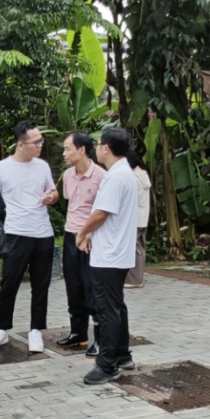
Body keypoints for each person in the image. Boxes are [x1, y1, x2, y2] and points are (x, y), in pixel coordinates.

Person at [0, 120, 58, 353]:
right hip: (15, 233)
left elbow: (53, 192)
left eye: (41, 141)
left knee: (41, 285)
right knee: (9, 283)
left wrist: (51, 197)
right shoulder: (0, 168)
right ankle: (1, 329)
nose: (40, 145)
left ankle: (36, 330)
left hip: (43, 233)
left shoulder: (42, 166)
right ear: (20, 144)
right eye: (36, 142)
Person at [75, 128, 139, 385]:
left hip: (109, 255)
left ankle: (107, 364)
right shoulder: (125, 173)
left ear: (106, 148)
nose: (96, 148)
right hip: (117, 252)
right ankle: (122, 354)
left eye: (98, 144)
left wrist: (82, 232)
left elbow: (102, 213)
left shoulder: (115, 177)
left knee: (107, 309)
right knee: (116, 305)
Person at [56, 132, 104, 354]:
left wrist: (89, 234)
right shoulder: (67, 175)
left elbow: (103, 212)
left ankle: (100, 339)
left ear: (82, 150)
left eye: (67, 149)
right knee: (73, 286)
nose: (64, 153)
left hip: (90, 239)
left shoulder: (101, 176)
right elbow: (71, 203)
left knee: (91, 288)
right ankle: (78, 333)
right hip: (70, 235)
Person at [124, 150, 151, 289]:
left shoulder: (134, 178)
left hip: (134, 218)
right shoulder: (143, 175)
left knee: (134, 249)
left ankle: (135, 280)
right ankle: (138, 277)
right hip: (142, 218)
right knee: (140, 247)